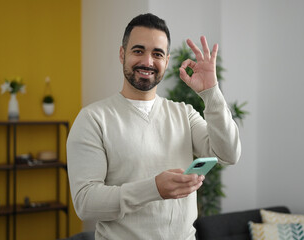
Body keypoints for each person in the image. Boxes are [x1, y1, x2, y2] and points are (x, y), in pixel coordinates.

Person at [67, 13, 241, 240]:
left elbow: (228, 154)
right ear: (122, 54)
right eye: (138, 51)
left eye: (157, 54)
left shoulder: (185, 114)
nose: (147, 62)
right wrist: (154, 189)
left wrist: (211, 93)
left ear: (167, 61)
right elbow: (85, 203)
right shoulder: (93, 119)